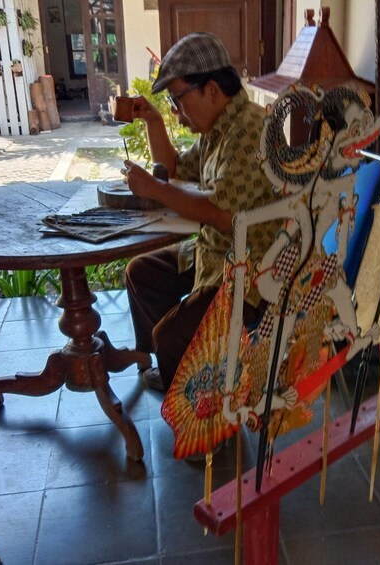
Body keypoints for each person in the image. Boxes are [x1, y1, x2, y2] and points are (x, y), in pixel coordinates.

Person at [122, 32, 279, 392]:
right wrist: (153, 122)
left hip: (250, 272)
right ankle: (172, 368)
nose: (178, 114)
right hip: (216, 252)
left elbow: (224, 214)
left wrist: (154, 189)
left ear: (211, 89)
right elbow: (176, 167)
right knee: (140, 273)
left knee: (169, 336)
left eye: (178, 101)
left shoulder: (250, 130)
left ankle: (197, 398)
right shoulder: (219, 127)